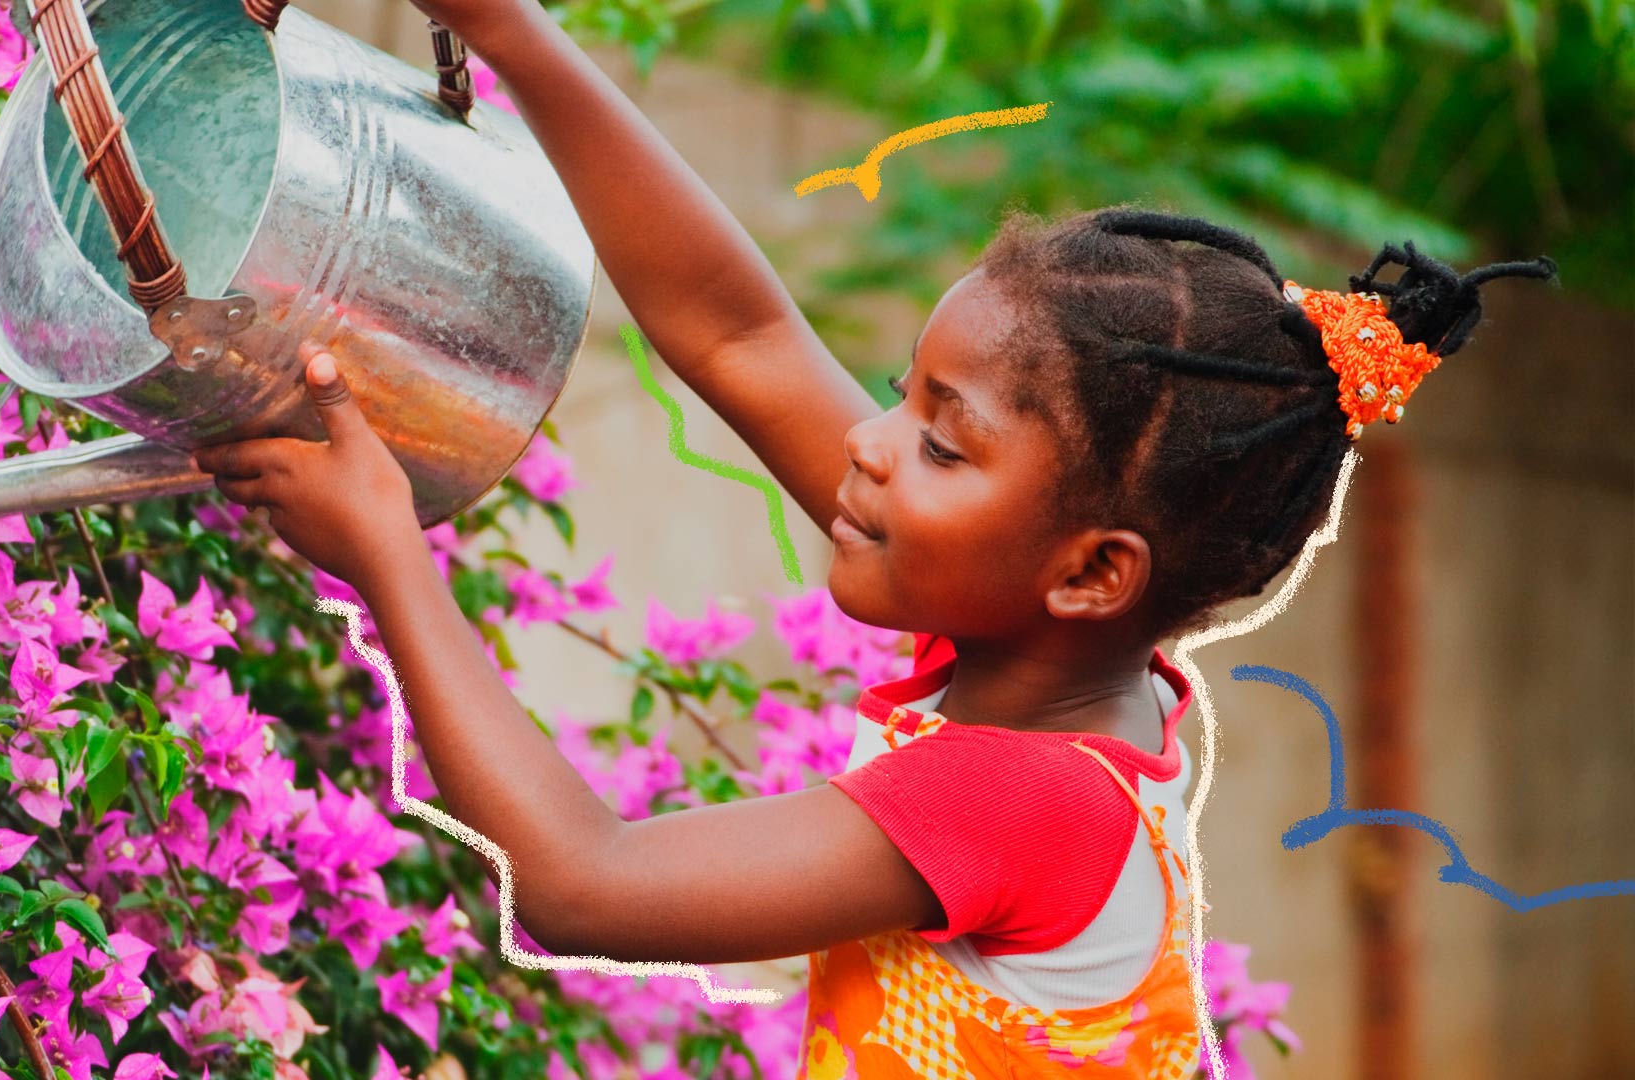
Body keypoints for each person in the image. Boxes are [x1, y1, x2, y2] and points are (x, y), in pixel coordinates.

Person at [191, 4, 1556, 1074]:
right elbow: (744, 337)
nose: (868, 441)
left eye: (943, 441)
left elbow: (584, 887)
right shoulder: (1084, 672)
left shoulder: (1015, 792)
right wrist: (514, 37)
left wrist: (386, 551)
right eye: (905, 392)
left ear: (1091, 570)